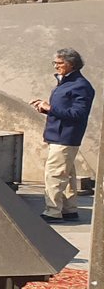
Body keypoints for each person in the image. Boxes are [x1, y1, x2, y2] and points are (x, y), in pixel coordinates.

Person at [31, 47, 95, 221]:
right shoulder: (65, 83)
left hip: (65, 136)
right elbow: (63, 110)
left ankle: (52, 211)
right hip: (59, 135)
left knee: (54, 174)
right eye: (55, 63)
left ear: (71, 64)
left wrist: (50, 108)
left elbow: (78, 114)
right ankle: (69, 209)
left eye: (59, 63)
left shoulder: (80, 86)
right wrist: (45, 108)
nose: (56, 66)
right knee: (67, 174)